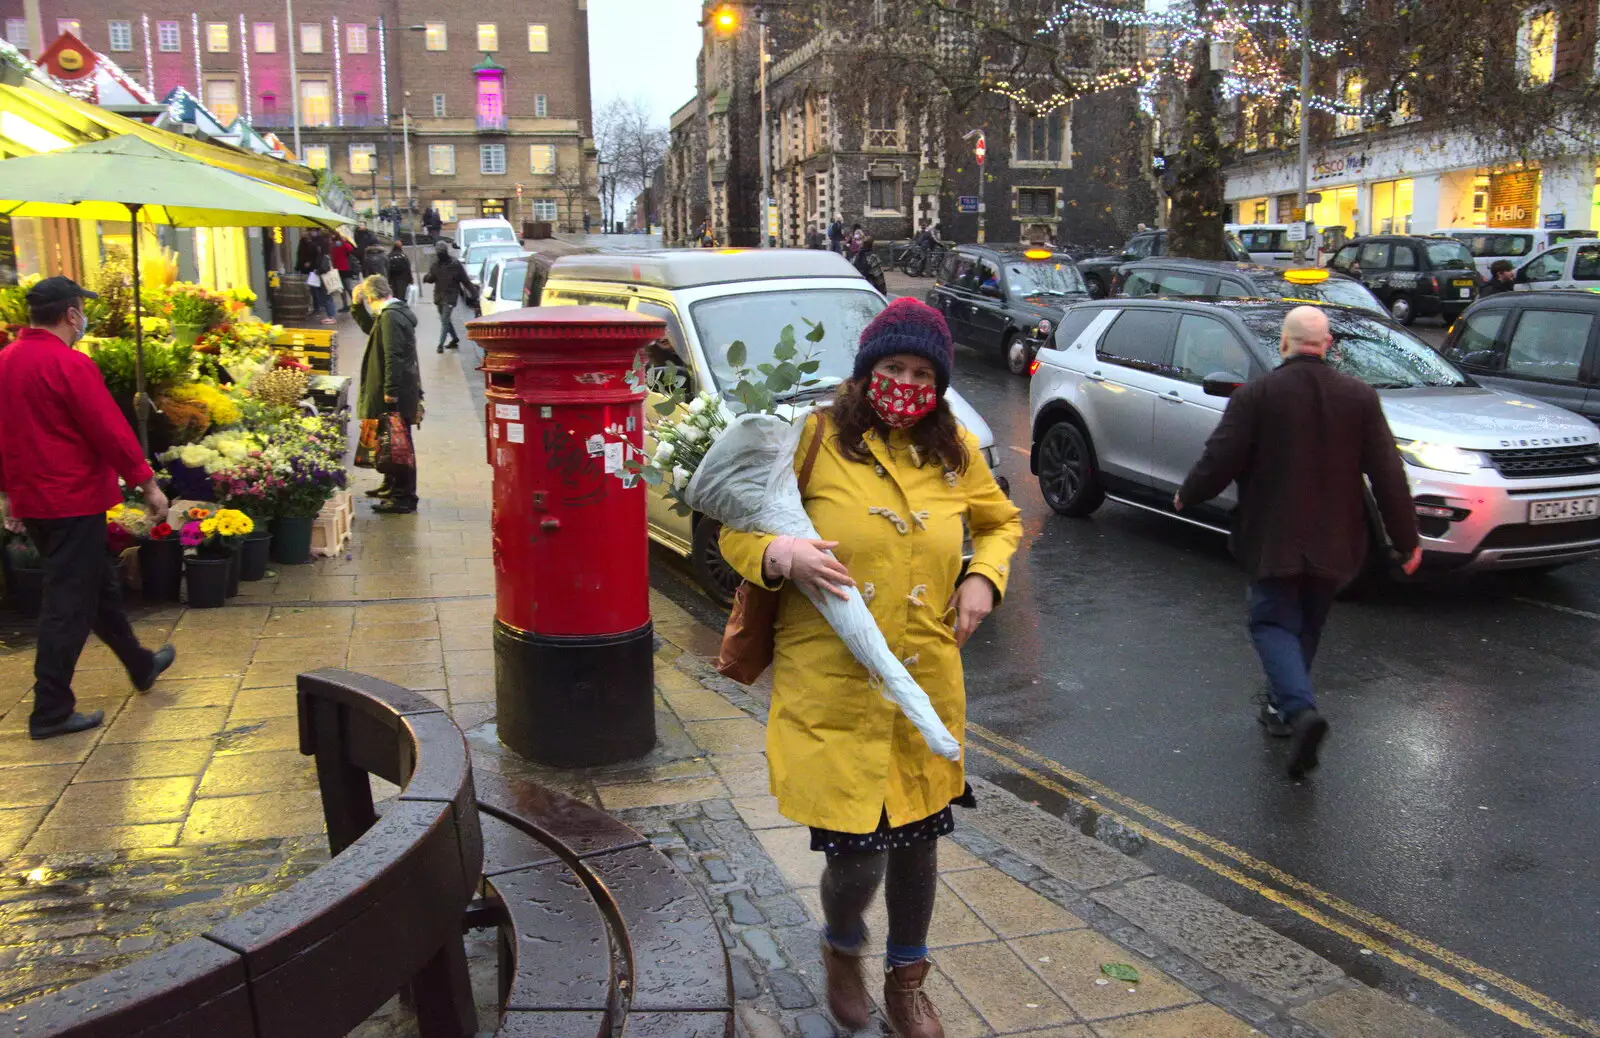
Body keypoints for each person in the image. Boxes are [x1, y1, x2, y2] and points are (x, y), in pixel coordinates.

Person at [720, 298, 1021, 1036]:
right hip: (834, 685)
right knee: (857, 861)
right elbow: (732, 522)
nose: (907, 382)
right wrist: (776, 553)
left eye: (923, 372)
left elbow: (1000, 521)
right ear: (866, 371)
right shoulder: (813, 439)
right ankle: (842, 945)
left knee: (919, 844)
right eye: (894, 367)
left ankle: (908, 981)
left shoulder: (955, 453)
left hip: (926, 680)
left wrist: (984, 577)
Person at [1174, 305, 1420, 779]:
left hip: (1273, 537)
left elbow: (1219, 458)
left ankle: (1298, 710)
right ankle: (1283, 707)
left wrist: (1189, 493)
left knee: (1271, 623)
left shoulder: (1257, 396)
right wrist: (1407, 540)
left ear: (1284, 345)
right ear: (1327, 345)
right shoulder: (1360, 396)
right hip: (1336, 540)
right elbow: (1389, 474)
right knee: (1306, 624)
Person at [0, 277, 177, 740]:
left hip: (36, 500)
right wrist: (147, 483)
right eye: (81, 309)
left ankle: (140, 664)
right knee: (67, 604)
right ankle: (50, 710)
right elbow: (109, 430)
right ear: (71, 315)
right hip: (72, 499)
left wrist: (8, 494)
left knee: (96, 588)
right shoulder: (69, 365)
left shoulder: (5, 361)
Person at [352, 275, 422, 514]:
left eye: (366, 301)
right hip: (397, 390)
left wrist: (390, 393)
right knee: (390, 441)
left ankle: (404, 496)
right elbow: (371, 330)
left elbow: (394, 357)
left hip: (395, 393)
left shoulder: (391, 317)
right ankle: (392, 485)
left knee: (399, 444)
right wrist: (355, 306)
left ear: (371, 297)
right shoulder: (390, 314)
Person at [423, 241, 473, 353]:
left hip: (450, 297)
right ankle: (455, 339)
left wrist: (473, 295)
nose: (439, 254)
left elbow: (465, 281)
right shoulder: (435, 265)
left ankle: (440, 345)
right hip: (439, 296)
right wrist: (427, 278)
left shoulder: (455, 264)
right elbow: (432, 278)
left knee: (445, 320)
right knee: (444, 320)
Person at [330, 235, 358, 310]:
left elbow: (350, 249)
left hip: (345, 268)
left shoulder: (344, 244)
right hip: (337, 269)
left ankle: (355, 304)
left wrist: (344, 241)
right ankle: (345, 305)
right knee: (341, 289)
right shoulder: (333, 245)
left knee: (348, 287)